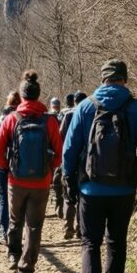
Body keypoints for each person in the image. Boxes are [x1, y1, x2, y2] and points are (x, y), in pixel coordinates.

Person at [62, 59, 137, 273]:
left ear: (103, 80)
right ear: (124, 79)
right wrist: (133, 166)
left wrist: (69, 178)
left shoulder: (84, 107)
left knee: (90, 242)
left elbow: (69, 150)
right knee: (116, 243)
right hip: (124, 190)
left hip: (90, 190)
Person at [0, 71, 63, 273]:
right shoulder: (49, 121)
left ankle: (13, 256)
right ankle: (27, 270)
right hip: (41, 183)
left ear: (22, 97)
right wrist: (48, 170)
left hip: (16, 182)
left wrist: (9, 169)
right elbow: (59, 154)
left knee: (16, 221)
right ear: (39, 95)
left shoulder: (11, 119)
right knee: (34, 226)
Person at [0, 91, 21, 242]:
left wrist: (0, 163)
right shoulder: (22, 118)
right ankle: (17, 231)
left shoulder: (4, 118)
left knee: (4, 197)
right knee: (17, 198)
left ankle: (4, 230)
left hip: (3, 164)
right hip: (20, 165)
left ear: (8, 102)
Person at [58, 92, 80, 235]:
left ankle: (68, 227)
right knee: (82, 197)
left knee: (68, 195)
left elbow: (61, 138)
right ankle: (80, 227)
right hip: (86, 162)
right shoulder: (91, 113)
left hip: (68, 159)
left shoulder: (69, 115)